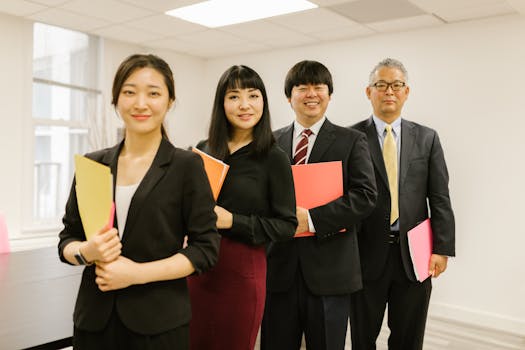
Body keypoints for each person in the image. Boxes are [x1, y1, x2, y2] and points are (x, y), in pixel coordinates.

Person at [58, 54, 220, 349]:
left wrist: (136, 274)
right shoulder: (93, 165)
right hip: (94, 321)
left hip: (158, 325)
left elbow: (205, 249)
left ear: (170, 101)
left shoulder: (186, 166)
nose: (140, 103)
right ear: (116, 100)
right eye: (129, 92)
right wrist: (85, 251)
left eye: (153, 93)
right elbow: (67, 238)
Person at [261, 60, 377, 350]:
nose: (311, 94)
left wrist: (310, 219)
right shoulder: (269, 142)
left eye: (319, 87)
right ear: (289, 96)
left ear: (329, 94)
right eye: (302, 88)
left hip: (331, 273)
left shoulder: (352, 141)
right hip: (279, 271)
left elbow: (365, 196)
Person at [187, 65, 297, 350]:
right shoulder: (204, 149)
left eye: (253, 95)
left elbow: (287, 225)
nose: (244, 105)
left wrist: (231, 221)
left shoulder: (274, 157)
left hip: (242, 272)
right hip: (197, 266)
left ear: (263, 102)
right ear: (221, 103)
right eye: (234, 96)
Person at [349, 58, 456, 350]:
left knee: (408, 338)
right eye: (381, 85)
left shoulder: (427, 138)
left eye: (396, 85)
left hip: (414, 255)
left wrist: (442, 248)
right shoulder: (350, 138)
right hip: (364, 255)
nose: (389, 92)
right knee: (362, 337)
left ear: (406, 92)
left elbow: (440, 197)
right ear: (368, 91)